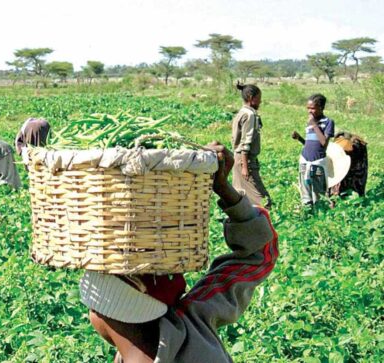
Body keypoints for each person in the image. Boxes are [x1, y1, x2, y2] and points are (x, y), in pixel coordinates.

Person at [82, 142, 279, 362]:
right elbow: (260, 254)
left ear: (104, 314)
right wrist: (225, 190)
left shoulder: (189, 321)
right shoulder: (192, 321)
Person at [230, 83, 272, 209]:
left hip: (238, 159)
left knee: (240, 196)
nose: (260, 101)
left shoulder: (242, 112)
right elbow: (245, 142)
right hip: (245, 160)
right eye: (258, 98)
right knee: (263, 200)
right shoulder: (250, 115)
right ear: (250, 97)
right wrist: (245, 167)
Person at [291, 94, 335, 207]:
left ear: (321, 107)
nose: (310, 111)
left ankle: (320, 210)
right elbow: (309, 144)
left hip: (318, 162)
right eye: (308, 108)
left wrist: (314, 125)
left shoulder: (328, 122)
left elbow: (323, 143)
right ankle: (307, 210)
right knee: (305, 190)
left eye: (313, 108)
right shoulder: (310, 123)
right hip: (305, 160)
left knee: (319, 191)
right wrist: (299, 138)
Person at [330, 131, 368, 197]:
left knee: (357, 182)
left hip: (354, 157)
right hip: (342, 154)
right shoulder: (332, 153)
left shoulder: (357, 147)